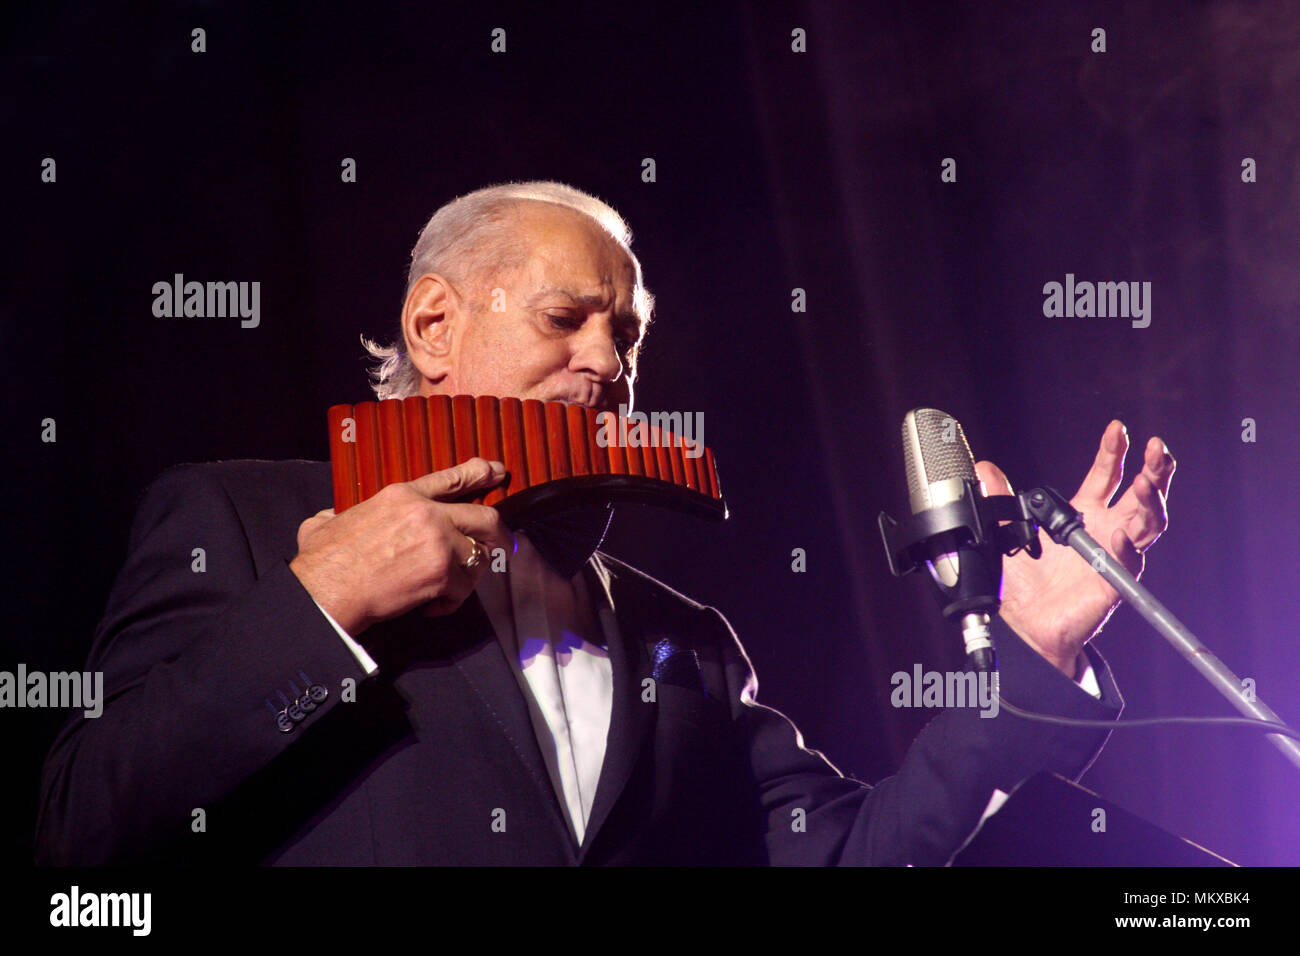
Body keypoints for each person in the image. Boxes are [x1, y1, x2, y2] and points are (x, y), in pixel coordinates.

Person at [35, 182, 1175, 865]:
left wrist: (1035, 654)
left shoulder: (689, 636)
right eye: (564, 318)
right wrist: (318, 609)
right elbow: (82, 831)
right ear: (434, 323)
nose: (605, 362)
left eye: (623, 337)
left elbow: (842, 856)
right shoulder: (233, 518)